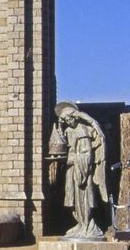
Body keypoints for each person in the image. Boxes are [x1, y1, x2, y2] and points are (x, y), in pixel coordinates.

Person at [56, 102, 108, 238]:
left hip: (82, 171)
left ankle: (87, 225)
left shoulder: (83, 131)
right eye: (65, 120)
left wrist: (74, 160)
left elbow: (87, 155)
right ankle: (80, 224)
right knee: (73, 200)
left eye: (69, 119)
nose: (68, 122)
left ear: (75, 117)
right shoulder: (69, 131)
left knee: (83, 198)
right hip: (72, 170)